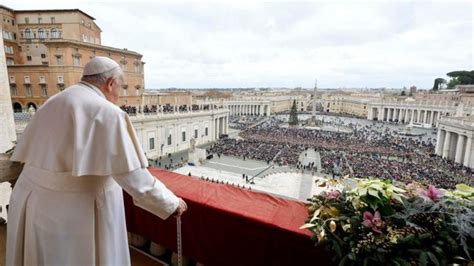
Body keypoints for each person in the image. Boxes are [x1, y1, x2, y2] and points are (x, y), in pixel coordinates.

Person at [6, 57, 187, 266]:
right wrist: (170, 203)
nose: (119, 95)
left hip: (31, 201)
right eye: (121, 87)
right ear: (110, 83)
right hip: (71, 213)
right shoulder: (108, 112)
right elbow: (134, 176)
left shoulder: (53, 101)